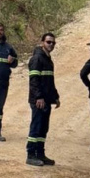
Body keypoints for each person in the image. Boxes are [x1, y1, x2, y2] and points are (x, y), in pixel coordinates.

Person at [26, 33, 60, 167]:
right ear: (42, 43)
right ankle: (30, 155)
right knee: (36, 127)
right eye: (48, 42)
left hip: (46, 100)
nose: (51, 45)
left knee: (43, 128)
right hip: (38, 101)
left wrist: (55, 96)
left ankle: (40, 154)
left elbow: (50, 81)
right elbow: (34, 81)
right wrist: (38, 97)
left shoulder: (48, 60)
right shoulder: (37, 59)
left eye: (53, 43)